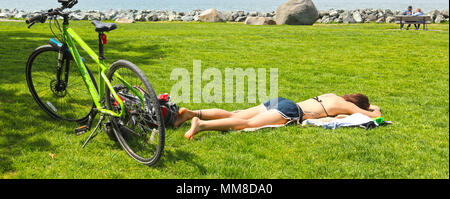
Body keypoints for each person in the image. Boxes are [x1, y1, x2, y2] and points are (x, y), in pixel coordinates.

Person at [174, 93, 382, 140]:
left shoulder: (332, 96)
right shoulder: (344, 105)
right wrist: (374, 108)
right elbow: (373, 117)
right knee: (246, 124)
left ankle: (191, 113)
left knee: (234, 113)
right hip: (292, 111)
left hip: (281, 101)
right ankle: (200, 124)